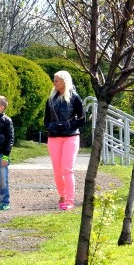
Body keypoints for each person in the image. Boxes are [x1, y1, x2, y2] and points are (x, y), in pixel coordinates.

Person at [44, 70, 86, 210]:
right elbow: (46, 119)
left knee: (67, 169)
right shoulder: (51, 99)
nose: (54, 82)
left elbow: (82, 118)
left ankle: (69, 200)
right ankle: (61, 194)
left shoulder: (74, 97)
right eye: (54, 80)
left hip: (71, 136)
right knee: (57, 171)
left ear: (64, 81)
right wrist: (51, 127)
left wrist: (69, 125)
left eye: (56, 80)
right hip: (54, 137)